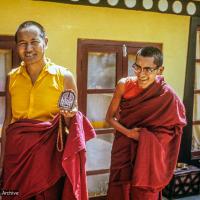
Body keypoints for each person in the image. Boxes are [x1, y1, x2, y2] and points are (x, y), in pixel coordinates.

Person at [0, 21, 95, 200]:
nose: (28, 48)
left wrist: (69, 116)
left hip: (48, 158)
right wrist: (3, 160)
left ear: (46, 42)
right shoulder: (12, 77)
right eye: (22, 43)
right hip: (17, 157)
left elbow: (72, 123)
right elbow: (8, 122)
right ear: (17, 46)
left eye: (34, 42)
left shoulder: (64, 77)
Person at [106, 46, 187, 200]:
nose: (141, 74)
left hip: (149, 155)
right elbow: (109, 118)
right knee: (119, 191)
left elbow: (173, 131)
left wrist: (144, 138)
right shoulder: (124, 85)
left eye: (148, 69)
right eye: (138, 67)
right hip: (123, 147)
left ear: (160, 70)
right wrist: (129, 133)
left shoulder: (167, 95)